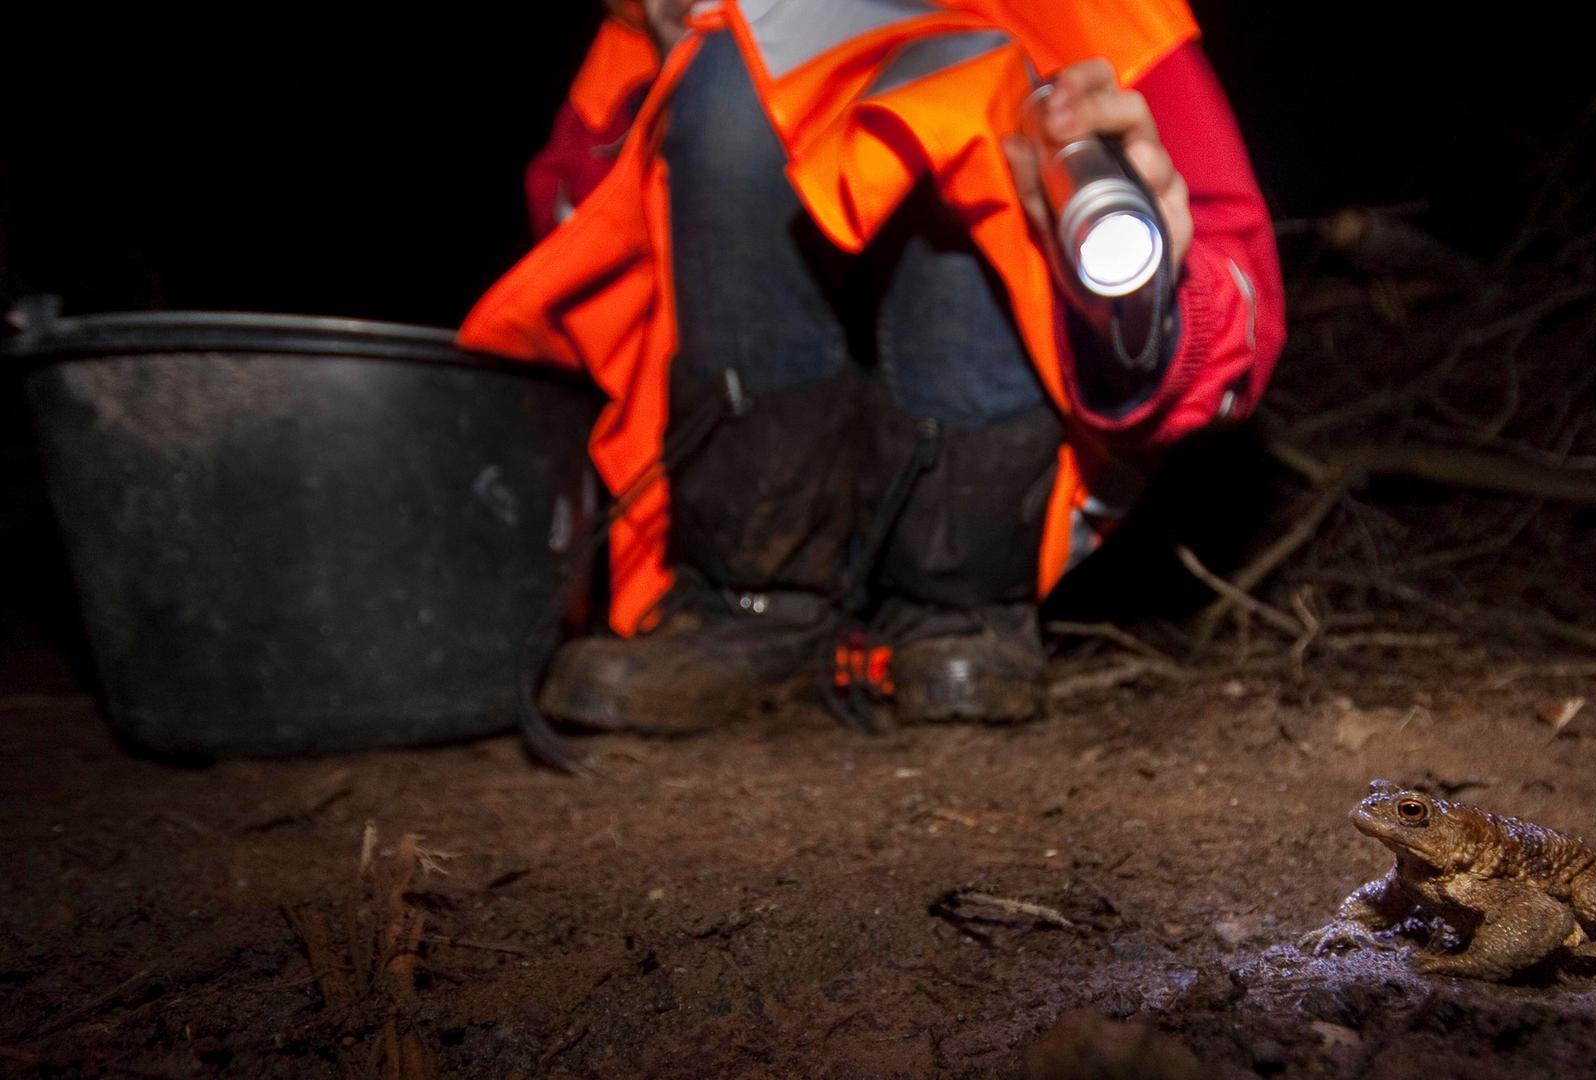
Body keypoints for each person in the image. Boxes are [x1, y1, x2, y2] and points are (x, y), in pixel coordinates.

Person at [461, 0, 1283, 732]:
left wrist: (1138, 307)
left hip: (987, 485)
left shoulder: (1105, 15)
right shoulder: (659, 17)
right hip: (735, 489)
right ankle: (748, 606)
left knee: (971, 82)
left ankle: (956, 608)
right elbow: (574, 259)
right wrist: (656, 112)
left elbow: (1241, 305)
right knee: (731, 66)